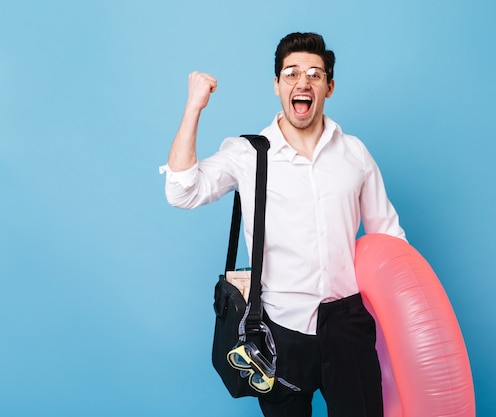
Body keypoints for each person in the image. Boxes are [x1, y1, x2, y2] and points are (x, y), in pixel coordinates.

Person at [160, 32, 406, 417]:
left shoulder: (354, 153)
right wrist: (194, 107)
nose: (302, 82)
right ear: (277, 85)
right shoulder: (247, 153)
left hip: (348, 326)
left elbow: (389, 240)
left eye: (314, 74)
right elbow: (181, 191)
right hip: (278, 332)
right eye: (290, 74)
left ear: (329, 86)